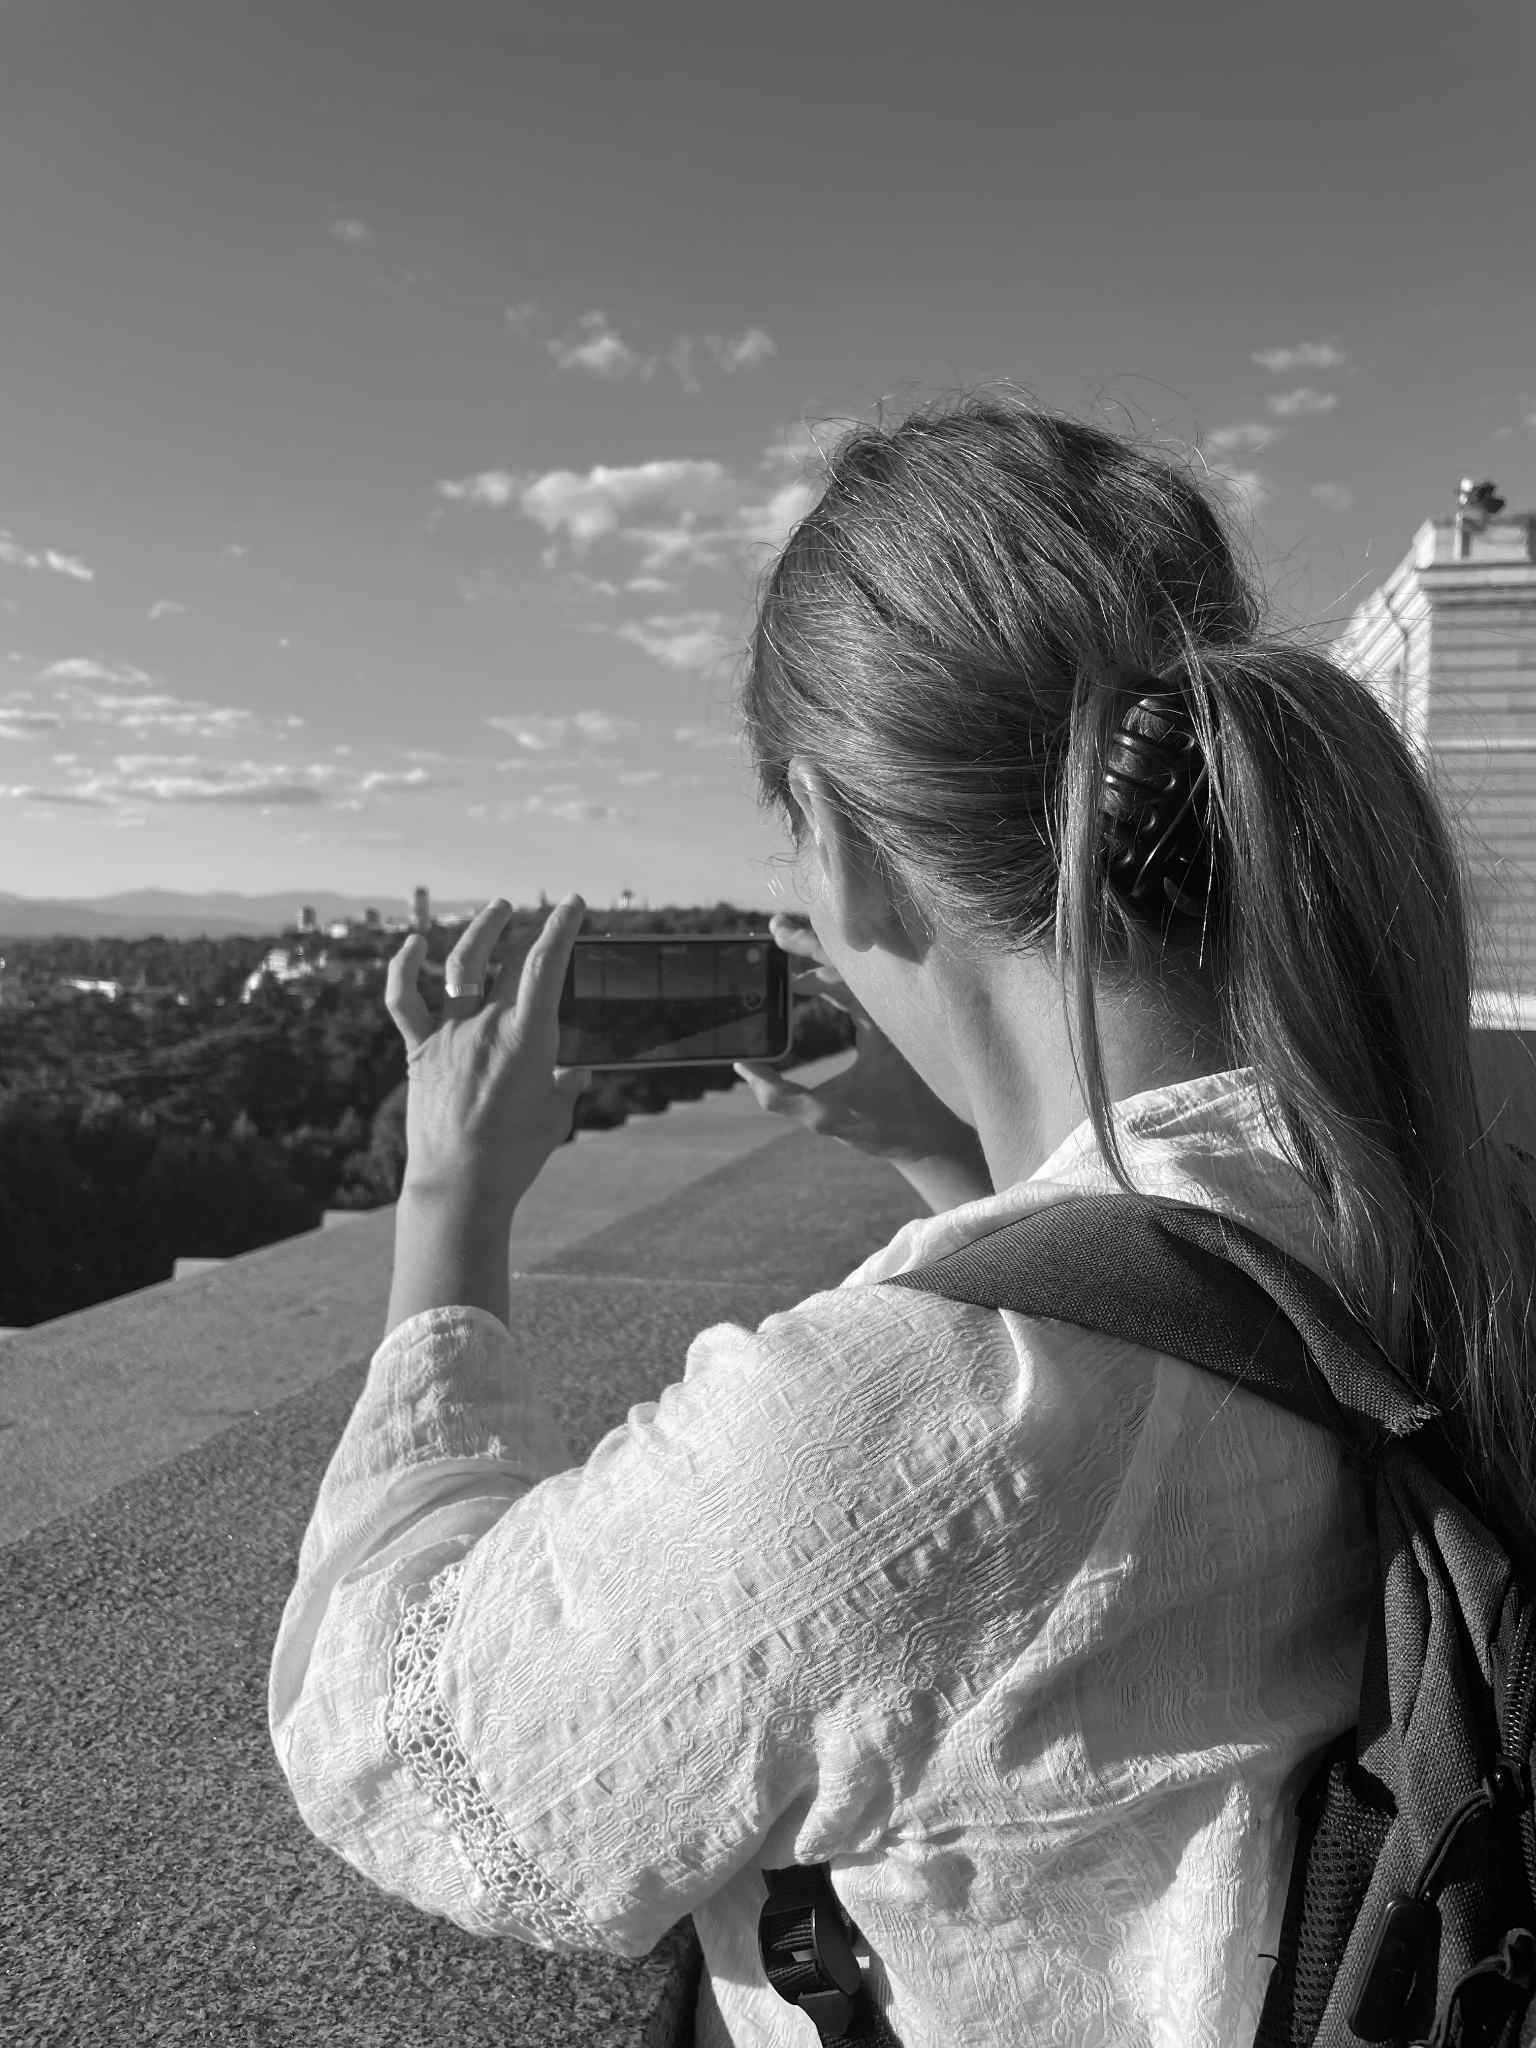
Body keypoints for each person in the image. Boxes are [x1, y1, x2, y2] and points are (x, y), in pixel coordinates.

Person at [268, 393, 1536, 2047]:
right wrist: (952, 1157)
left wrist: (449, 1193)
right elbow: (1179, 1365)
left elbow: (402, 1742)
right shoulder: (1434, 1203)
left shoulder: (912, 1417)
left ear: (846, 845)